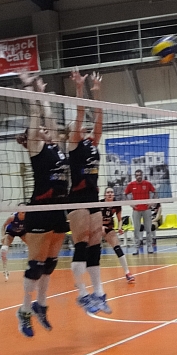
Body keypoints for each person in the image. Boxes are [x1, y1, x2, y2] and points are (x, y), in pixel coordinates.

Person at [15, 73, 70, 338]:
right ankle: (24, 311)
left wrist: (44, 94)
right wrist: (30, 91)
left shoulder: (56, 147)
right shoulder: (36, 148)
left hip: (58, 210)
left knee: (50, 263)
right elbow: (36, 117)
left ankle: (41, 304)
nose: (46, 130)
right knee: (36, 265)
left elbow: (50, 120)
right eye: (40, 130)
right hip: (39, 210)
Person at [67, 70, 111, 315]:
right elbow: (80, 113)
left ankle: (99, 293)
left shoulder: (92, 144)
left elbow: (99, 118)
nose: (83, 126)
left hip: (93, 198)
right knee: (82, 243)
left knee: (95, 244)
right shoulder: (74, 143)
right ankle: (82, 293)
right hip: (78, 199)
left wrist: (97, 93)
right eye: (77, 126)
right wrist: (79, 88)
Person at [101, 187, 135, 283]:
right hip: (97, 227)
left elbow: (120, 220)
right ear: (105, 195)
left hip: (109, 227)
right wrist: (100, 226)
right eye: (108, 192)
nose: (110, 194)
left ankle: (127, 273)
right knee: (92, 249)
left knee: (117, 247)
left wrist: (120, 228)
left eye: (111, 192)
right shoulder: (99, 203)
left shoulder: (116, 204)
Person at [124, 169, 156, 255]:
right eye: (137, 175)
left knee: (148, 228)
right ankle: (136, 247)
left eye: (140, 175)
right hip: (136, 210)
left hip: (146, 209)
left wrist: (152, 202)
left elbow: (155, 192)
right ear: (135, 176)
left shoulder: (147, 184)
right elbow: (125, 194)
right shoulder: (131, 184)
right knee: (136, 229)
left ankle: (149, 246)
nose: (138, 176)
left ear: (142, 175)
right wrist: (131, 204)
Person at [0, 209, 27, 281]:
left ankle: (34, 266)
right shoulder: (12, 217)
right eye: (22, 212)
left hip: (22, 232)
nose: (24, 213)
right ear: (19, 212)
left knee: (33, 246)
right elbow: (3, 226)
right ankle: (5, 269)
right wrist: (3, 236)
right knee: (3, 250)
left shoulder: (28, 217)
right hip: (11, 232)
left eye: (25, 212)